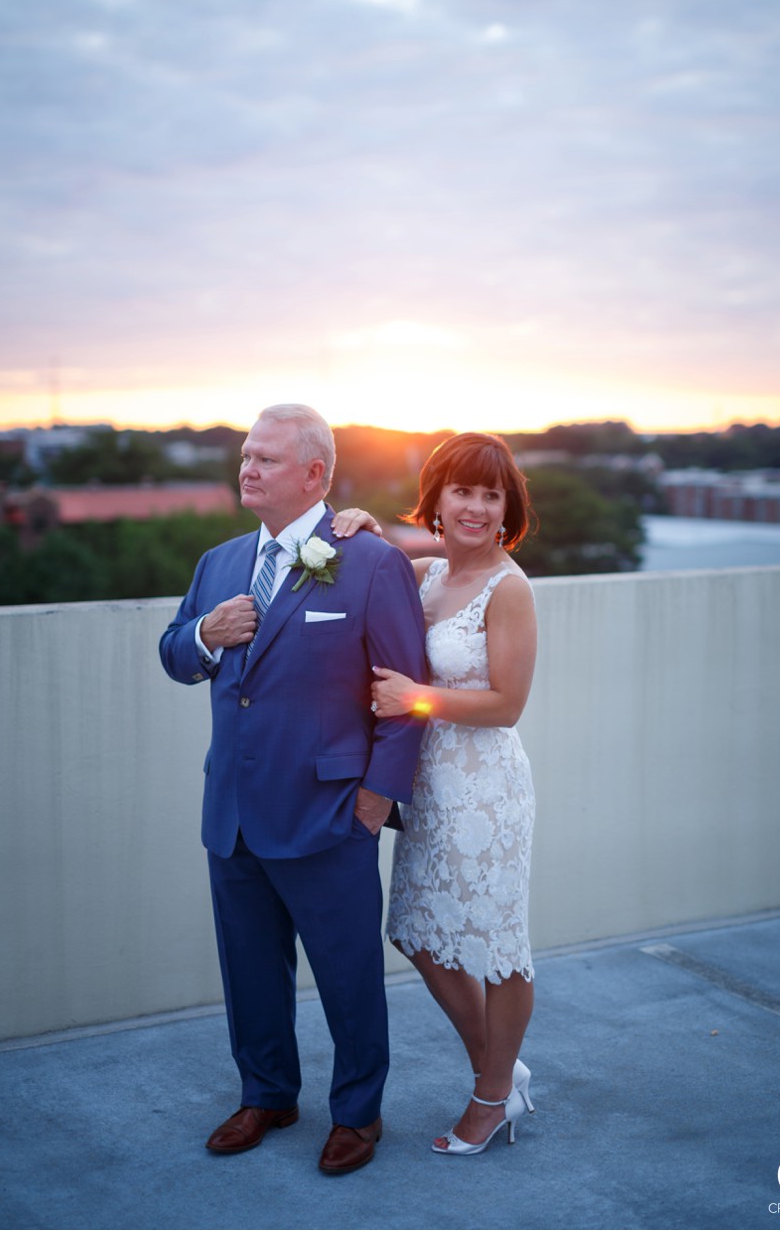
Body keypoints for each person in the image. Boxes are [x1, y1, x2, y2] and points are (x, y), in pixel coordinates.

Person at [159, 404, 427, 1176]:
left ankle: (357, 1112)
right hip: (233, 813)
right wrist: (207, 633)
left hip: (330, 814)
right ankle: (267, 1092)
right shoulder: (218, 563)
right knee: (247, 970)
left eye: (267, 459)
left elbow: (407, 695)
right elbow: (175, 652)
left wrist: (376, 800)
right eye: (246, 455)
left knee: (347, 977)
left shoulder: (369, 561)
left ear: (315, 474)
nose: (248, 468)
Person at [333, 431, 538, 1157]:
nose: (478, 506)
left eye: (492, 493)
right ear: (439, 499)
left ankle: (489, 1097)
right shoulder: (423, 573)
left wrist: (417, 698)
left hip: (486, 789)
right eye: (463, 490)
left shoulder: (507, 588)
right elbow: (374, 559)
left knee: (498, 948)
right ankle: (502, 1070)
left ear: (507, 504)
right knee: (418, 932)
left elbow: (507, 703)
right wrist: (356, 523)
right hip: (428, 788)